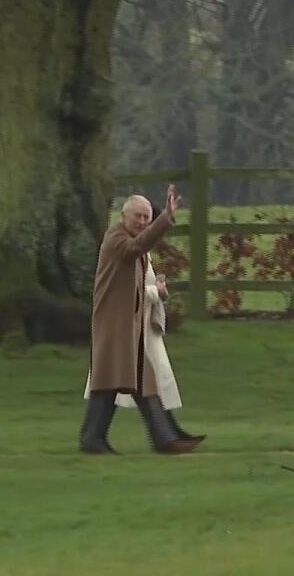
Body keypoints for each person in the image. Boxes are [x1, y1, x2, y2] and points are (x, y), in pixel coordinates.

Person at [79, 186, 203, 455]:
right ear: (123, 216)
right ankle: (161, 439)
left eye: (147, 217)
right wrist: (165, 218)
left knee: (121, 380)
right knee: (120, 380)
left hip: (124, 324)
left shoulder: (126, 241)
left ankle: (99, 438)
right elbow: (137, 246)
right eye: (139, 216)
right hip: (115, 324)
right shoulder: (117, 239)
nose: (143, 221)